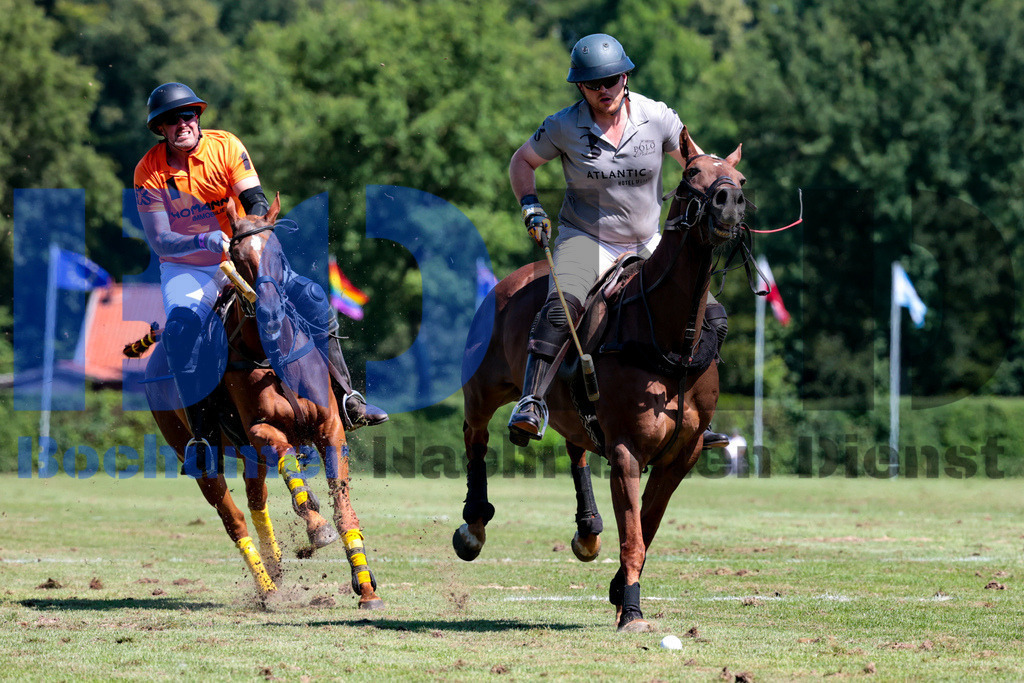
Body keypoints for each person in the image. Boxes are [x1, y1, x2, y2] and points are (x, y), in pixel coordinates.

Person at [133, 83, 386, 464]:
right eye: (171, 120)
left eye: (187, 115)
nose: (181, 124)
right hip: (189, 269)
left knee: (315, 301)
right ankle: (201, 437)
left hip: (243, 252)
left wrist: (250, 229)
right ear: (160, 129)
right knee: (184, 332)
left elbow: (255, 197)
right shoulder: (148, 170)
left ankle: (348, 398)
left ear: (197, 117)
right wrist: (202, 239)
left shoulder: (227, 146)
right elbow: (160, 239)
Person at [506, 35, 729, 448]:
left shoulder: (658, 117)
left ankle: (696, 412)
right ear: (580, 87)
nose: (603, 90)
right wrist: (531, 205)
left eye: (611, 80)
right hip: (587, 238)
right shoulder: (562, 126)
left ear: (624, 76)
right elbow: (522, 161)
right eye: (593, 84)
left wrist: (722, 184)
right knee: (562, 308)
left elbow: (696, 163)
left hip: (648, 240)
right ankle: (532, 402)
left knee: (713, 317)